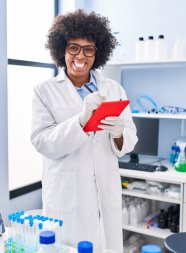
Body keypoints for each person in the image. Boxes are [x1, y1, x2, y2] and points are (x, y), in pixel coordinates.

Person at [31, 9, 137, 253]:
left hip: (105, 191)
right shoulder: (44, 91)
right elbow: (42, 141)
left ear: (97, 52)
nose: (81, 55)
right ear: (62, 50)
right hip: (67, 195)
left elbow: (130, 137)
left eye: (89, 49)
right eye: (73, 48)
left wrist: (119, 133)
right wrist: (80, 121)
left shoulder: (114, 89)